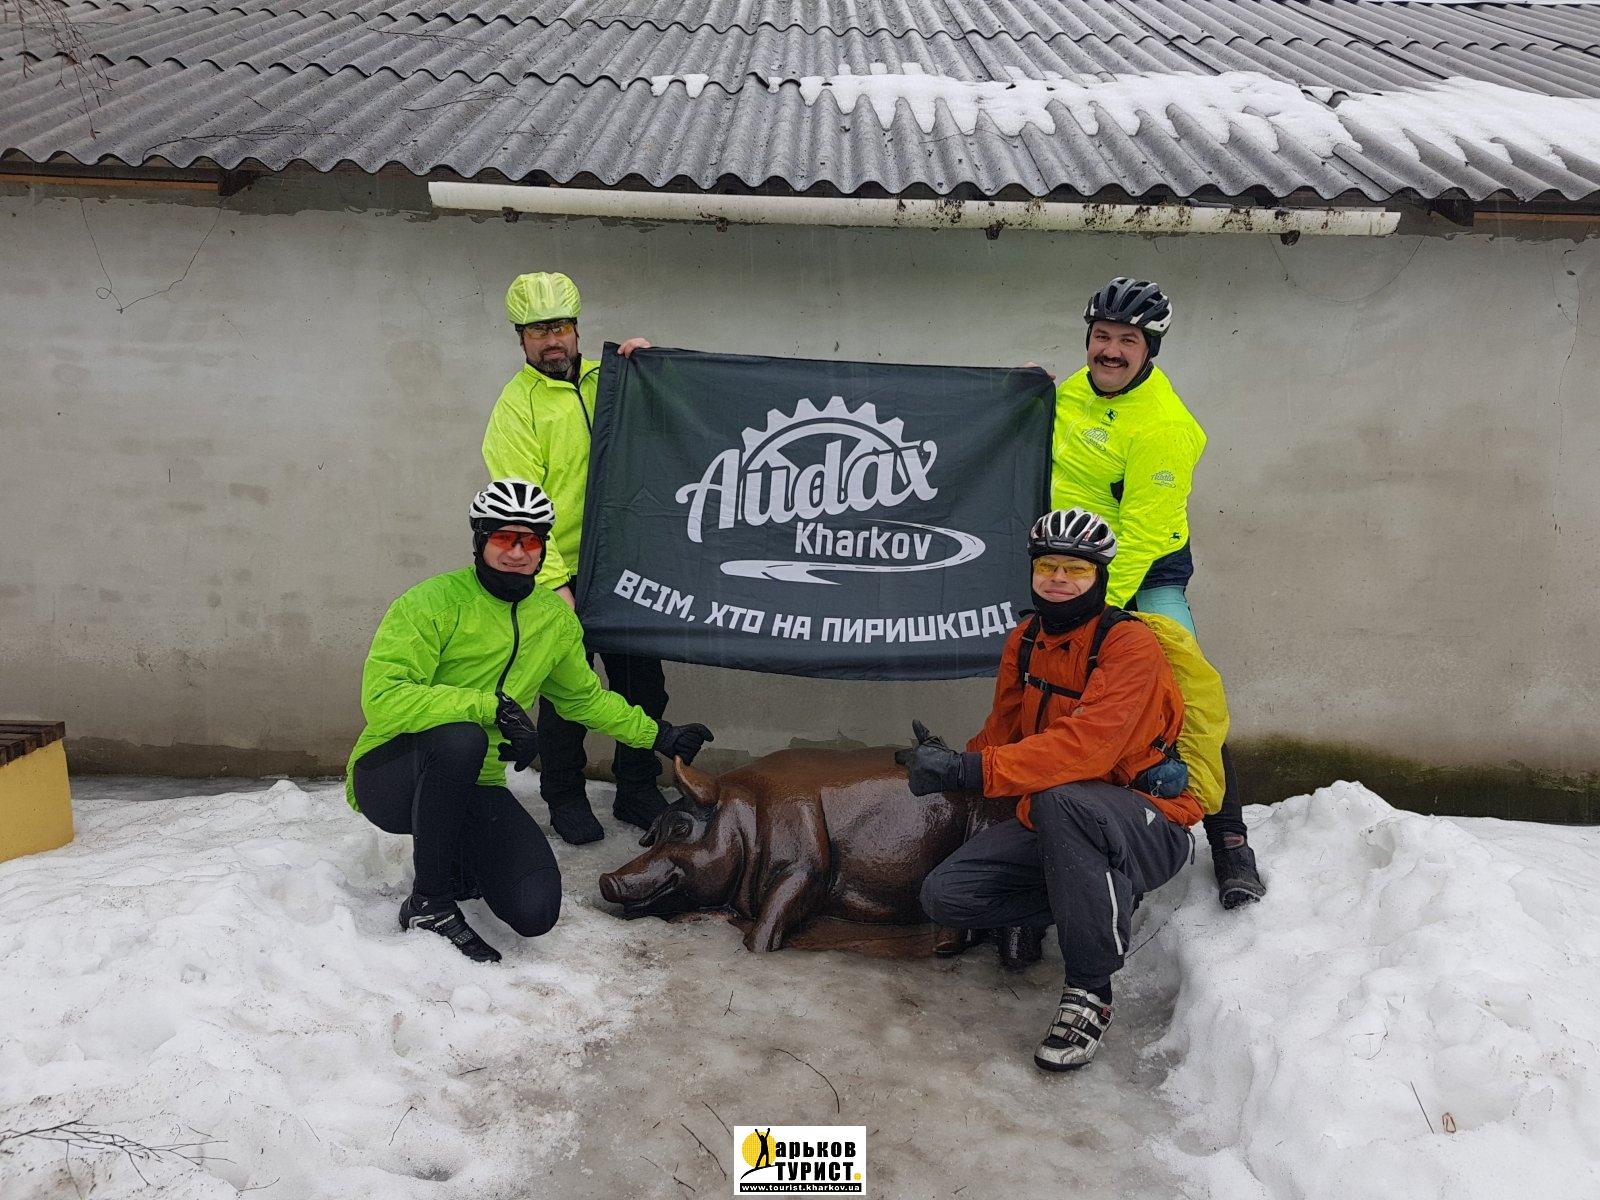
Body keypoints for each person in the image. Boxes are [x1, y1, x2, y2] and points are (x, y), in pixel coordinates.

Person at [345, 480, 715, 963]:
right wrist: (492, 708)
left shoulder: (553, 618)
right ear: (480, 541)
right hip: (392, 774)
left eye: (531, 541)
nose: (517, 552)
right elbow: (384, 699)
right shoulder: (430, 603)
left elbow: (583, 699)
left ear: (543, 549)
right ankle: (429, 903)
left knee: (535, 909)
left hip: (476, 782)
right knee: (461, 740)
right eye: (503, 538)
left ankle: (457, 860)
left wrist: (660, 735)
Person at [902, 509, 1198, 1070]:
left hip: (1149, 822)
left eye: (1075, 569)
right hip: (1057, 822)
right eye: (1047, 566)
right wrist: (949, 762)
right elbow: (1004, 732)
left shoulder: (1128, 645)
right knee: (947, 896)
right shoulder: (1027, 639)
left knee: (1060, 797)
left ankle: (1091, 990)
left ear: (1100, 577)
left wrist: (971, 771)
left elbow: (1087, 750)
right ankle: (1098, 893)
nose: (1059, 578)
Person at [1044, 277, 1265, 908]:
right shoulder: (1072, 392)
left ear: (1150, 350)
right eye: (1102, 336)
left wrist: (1098, 611)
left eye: (1128, 341)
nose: (1111, 351)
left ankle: (1230, 840)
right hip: (1070, 565)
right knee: (1061, 693)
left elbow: (1141, 533)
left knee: (1187, 692)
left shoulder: (1164, 426)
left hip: (1141, 574)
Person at [481, 271, 669, 846]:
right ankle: (564, 794)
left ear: (577, 328)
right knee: (567, 694)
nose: (551, 341)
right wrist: (556, 582)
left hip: (626, 567)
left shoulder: (608, 380)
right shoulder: (516, 408)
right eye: (538, 331)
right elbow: (522, 509)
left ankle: (637, 787)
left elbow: (668, 419)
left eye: (560, 327)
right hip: (560, 575)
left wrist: (652, 367)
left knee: (643, 686)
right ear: (520, 338)